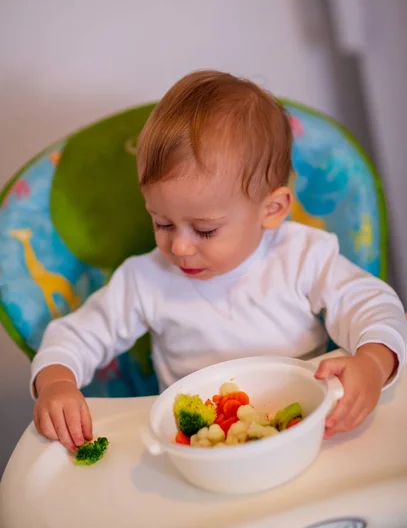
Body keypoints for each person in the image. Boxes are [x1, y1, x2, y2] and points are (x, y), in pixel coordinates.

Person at [31, 70, 407, 453]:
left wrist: (373, 364)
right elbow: (73, 337)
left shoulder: (302, 256)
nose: (178, 247)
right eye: (162, 222)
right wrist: (57, 383)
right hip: (199, 452)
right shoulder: (145, 280)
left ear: (272, 209)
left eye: (205, 230)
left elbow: (373, 305)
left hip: (311, 432)